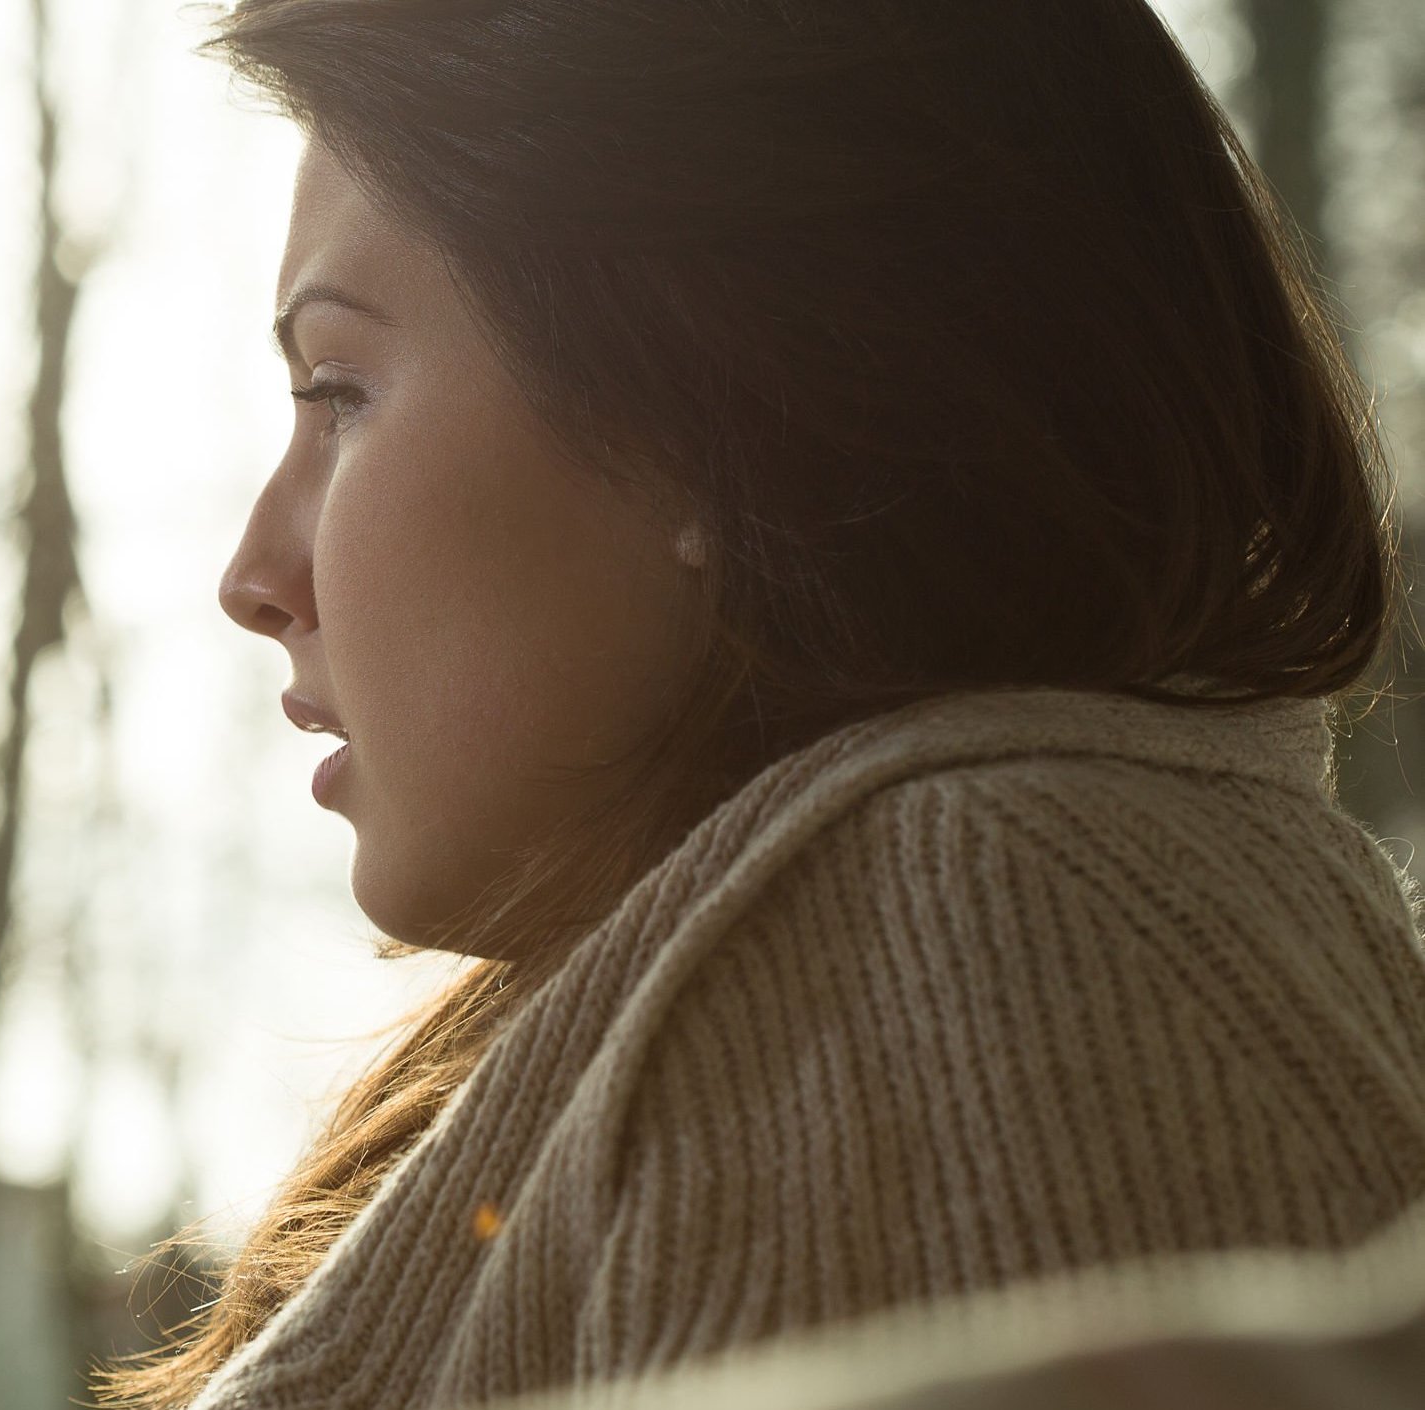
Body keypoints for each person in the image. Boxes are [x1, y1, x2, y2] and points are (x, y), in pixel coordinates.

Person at [97, 2, 1425, 1408]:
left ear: (702, 408)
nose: (255, 573)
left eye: (340, 390)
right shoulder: (807, 985)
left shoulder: (997, 943)